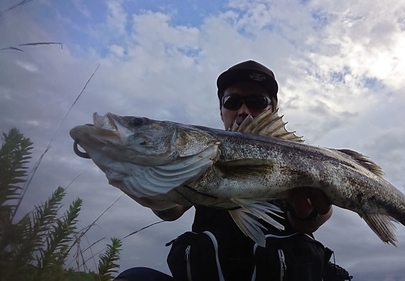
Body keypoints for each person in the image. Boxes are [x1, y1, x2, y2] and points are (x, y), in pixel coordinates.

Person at [115, 60, 351, 281]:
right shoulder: (197, 153)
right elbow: (170, 211)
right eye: (232, 102)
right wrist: (139, 178)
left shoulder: (297, 155)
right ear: (221, 110)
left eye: (257, 102)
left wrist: (310, 213)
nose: (244, 110)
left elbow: (310, 222)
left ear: (274, 108)